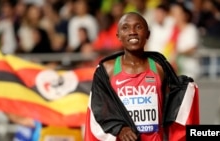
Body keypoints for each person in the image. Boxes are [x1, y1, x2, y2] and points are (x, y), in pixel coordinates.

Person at [84, 12, 199, 141]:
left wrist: (188, 88)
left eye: (138, 27)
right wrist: (120, 128)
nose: (132, 32)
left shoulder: (159, 67)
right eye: (125, 28)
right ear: (118, 36)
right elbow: (99, 110)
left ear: (148, 34)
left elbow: (172, 107)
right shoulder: (107, 70)